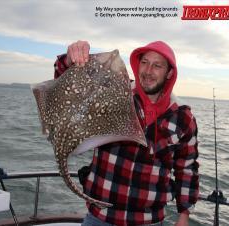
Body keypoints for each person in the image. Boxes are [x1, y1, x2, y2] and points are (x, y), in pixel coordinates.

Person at [54, 40, 199, 226]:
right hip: (101, 216)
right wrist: (69, 59)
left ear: (169, 73)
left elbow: (186, 168)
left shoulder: (182, 117)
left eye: (157, 66)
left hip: (148, 220)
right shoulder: (115, 92)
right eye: (144, 62)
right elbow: (67, 86)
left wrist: (184, 215)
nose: (148, 71)